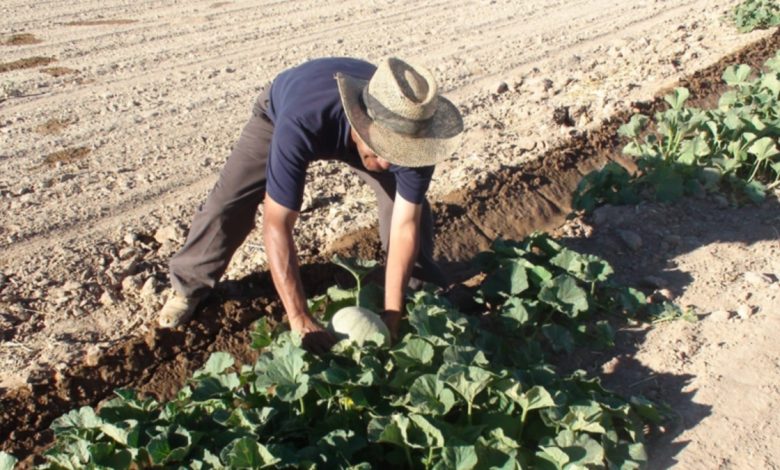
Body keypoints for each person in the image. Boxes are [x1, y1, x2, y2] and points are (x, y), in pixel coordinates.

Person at [157, 56, 463, 352]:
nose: (385, 161)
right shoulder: (303, 120)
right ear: (360, 121)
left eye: (396, 152)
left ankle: (418, 296)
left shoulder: (415, 136)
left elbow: (405, 225)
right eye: (382, 147)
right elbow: (277, 223)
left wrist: (393, 312)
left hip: (368, 121)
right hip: (282, 109)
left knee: (406, 208)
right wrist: (299, 316)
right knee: (229, 202)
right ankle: (189, 285)